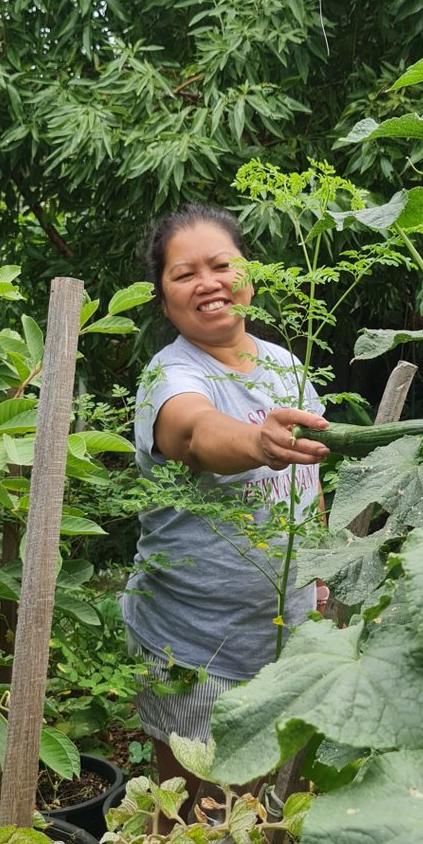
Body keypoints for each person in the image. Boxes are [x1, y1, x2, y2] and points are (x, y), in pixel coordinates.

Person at [121, 204, 329, 803]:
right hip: (194, 641)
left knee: (262, 808)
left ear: (249, 277)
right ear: (165, 301)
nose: (207, 283)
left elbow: (305, 484)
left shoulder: (287, 366)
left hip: (286, 633)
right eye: (184, 274)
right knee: (194, 814)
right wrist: (259, 442)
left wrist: (316, 577)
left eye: (221, 265)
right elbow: (194, 433)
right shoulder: (170, 378)